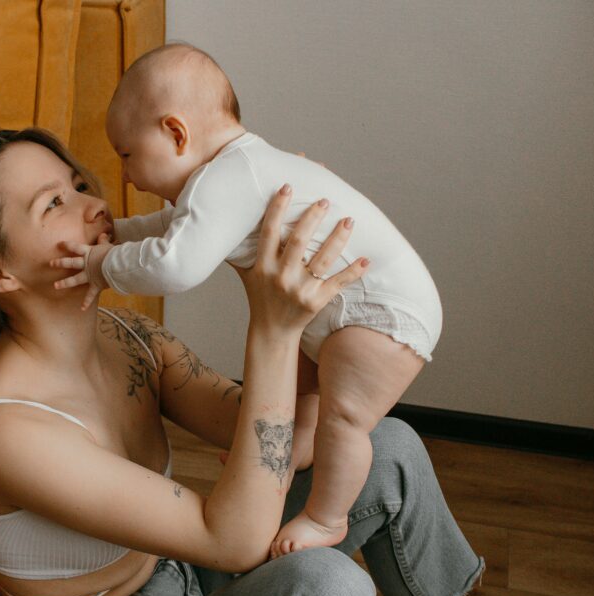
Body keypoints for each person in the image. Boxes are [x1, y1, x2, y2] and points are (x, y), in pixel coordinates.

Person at [0, 125, 525, 596]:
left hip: (182, 591)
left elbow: (286, 439)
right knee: (325, 591)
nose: (93, 205)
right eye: (53, 204)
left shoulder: (132, 340)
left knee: (387, 446)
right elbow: (234, 538)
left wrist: (286, 283)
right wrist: (273, 331)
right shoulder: (6, 428)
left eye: (78, 184)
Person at [53, 43, 441, 557]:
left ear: (175, 133)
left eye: (126, 154)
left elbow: (178, 264)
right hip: (362, 307)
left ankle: (327, 518)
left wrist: (102, 266)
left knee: (344, 417)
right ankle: (298, 447)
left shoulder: (229, 177)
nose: (124, 175)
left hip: (384, 314)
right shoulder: (232, 172)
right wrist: (119, 235)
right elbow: (173, 228)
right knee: (307, 382)